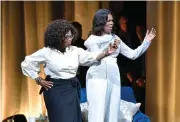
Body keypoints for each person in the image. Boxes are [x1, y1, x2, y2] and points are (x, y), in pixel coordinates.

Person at [21, 19, 119, 122]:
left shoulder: (74, 50)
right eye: (67, 37)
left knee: (73, 119)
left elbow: (91, 57)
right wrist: (38, 79)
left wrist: (106, 53)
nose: (70, 39)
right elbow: (27, 63)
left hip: (72, 89)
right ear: (58, 37)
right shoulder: (46, 52)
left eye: (71, 36)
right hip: (55, 90)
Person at [84, 9, 156, 122]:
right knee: (98, 111)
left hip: (113, 76)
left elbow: (132, 54)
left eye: (112, 20)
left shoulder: (115, 38)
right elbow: (94, 57)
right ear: (101, 22)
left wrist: (146, 41)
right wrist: (108, 50)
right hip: (98, 77)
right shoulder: (92, 40)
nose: (112, 23)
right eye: (109, 20)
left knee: (112, 109)